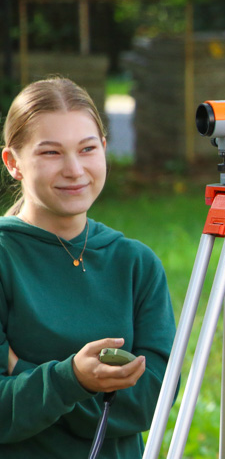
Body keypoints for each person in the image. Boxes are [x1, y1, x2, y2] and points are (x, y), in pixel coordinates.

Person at [0, 77, 176, 458]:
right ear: (13, 163)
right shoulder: (4, 257)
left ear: (104, 150)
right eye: (51, 153)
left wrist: (26, 372)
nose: (75, 169)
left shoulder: (137, 264)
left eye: (87, 149)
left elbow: (153, 402)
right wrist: (72, 380)